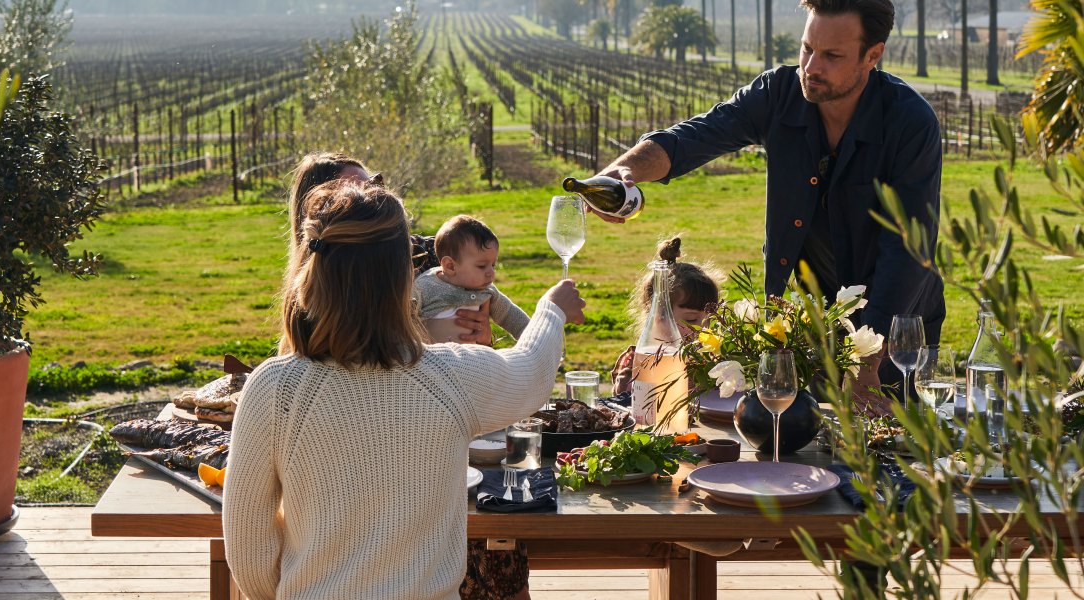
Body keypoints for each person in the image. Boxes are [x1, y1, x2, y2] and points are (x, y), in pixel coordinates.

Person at [223, 180, 586, 600]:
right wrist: (552, 309)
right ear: (403, 277)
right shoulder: (451, 376)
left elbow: (248, 552)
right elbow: (533, 372)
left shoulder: (273, 387)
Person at [592, 0, 944, 412]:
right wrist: (621, 170)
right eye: (807, 48)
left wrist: (867, 357)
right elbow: (694, 137)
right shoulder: (778, 93)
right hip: (805, 323)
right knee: (798, 444)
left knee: (889, 456)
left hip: (894, 327)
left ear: (873, 56)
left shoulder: (910, 123)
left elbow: (907, 252)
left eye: (832, 56)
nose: (811, 67)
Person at [285, 151, 491, 345]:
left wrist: (485, 340)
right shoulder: (314, 296)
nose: (371, 198)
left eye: (374, 185)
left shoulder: (431, 255)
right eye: (353, 194)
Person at [611, 237, 722, 395]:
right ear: (658, 317)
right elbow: (627, 402)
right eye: (691, 320)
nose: (704, 328)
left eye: (710, 320)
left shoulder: (712, 362)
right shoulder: (638, 361)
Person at [416, 215, 530, 344]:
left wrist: (536, 340)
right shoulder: (425, 286)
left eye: (493, 265)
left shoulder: (486, 291)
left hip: (474, 361)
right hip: (431, 360)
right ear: (450, 266)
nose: (491, 273)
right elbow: (402, 318)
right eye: (481, 266)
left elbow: (511, 316)